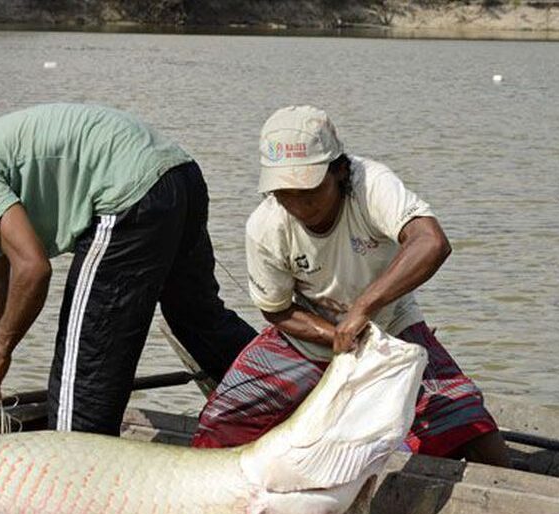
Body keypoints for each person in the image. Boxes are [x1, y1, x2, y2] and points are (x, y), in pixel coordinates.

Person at [0, 103, 256, 435]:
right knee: (198, 319)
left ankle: (77, 489)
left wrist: (1, 351)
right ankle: (287, 392)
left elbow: (33, 269)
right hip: (178, 176)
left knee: (81, 379)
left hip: (129, 196)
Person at [191, 105, 510, 466]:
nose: (297, 204)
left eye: (308, 190)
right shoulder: (266, 225)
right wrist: (336, 335)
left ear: (339, 171)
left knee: (469, 424)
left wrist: (363, 310)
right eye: (284, 192)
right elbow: (277, 310)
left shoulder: (370, 184)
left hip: (389, 327)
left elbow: (430, 241)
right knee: (220, 425)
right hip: (308, 335)